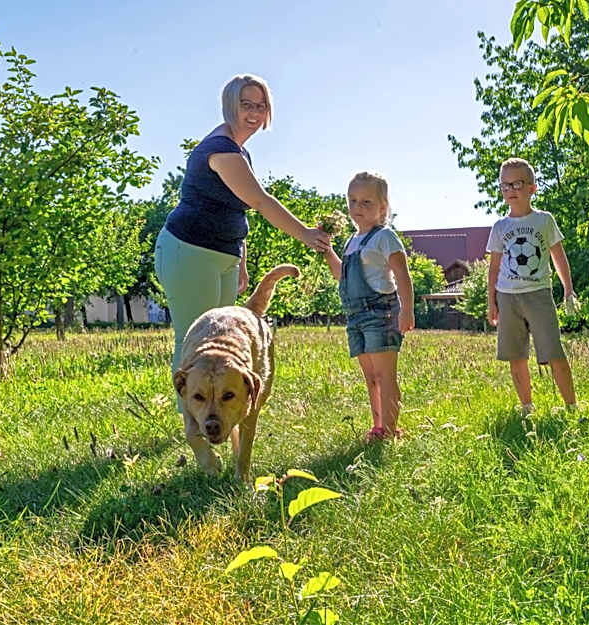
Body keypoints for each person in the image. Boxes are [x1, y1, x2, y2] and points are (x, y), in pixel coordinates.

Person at [154, 74, 331, 378]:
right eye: (246, 104)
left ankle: (218, 419)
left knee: (217, 338)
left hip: (223, 256)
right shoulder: (222, 148)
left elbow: (238, 208)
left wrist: (242, 262)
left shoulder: (240, 151)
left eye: (260, 106)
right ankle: (191, 421)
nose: (254, 113)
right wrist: (305, 233)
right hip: (190, 251)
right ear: (229, 106)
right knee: (193, 339)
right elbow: (260, 202)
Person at [321, 172, 414, 442]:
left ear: (382, 207)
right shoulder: (352, 241)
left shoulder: (385, 237)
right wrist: (328, 251)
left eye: (366, 203)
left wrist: (406, 310)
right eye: (352, 201)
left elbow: (402, 275)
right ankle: (378, 425)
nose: (357, 208)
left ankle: (390, 429)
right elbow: (343, 276)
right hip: (356, 316)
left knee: (385, 375)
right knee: (371, 376)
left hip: (380, 312)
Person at [485, 158, 578, 417]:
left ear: (532, 188)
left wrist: (568, 289)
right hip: (507, 297)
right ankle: (527, 408)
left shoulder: (544, 221)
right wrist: (491, 302)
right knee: (516, 356)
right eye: (505, 186)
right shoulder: (500, 227)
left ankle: (571, 406)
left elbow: (559, 257)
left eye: (517, 183)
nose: (510, 190)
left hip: (539, 295)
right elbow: (493, 268)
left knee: (553, 352)